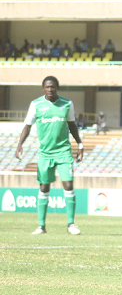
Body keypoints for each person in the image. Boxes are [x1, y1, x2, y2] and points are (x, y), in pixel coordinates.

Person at [14, 76, 84, 235]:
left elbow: (72, 125)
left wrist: (80, 144)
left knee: (68, 185)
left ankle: (71, 224)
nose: (50, 90)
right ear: (43, 88)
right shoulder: (36, 104)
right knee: (44, 187)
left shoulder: (67, 104)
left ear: (57, 87)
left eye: (53, 87)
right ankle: (41, 226)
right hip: (45, 153)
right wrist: (19, 145)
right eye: (47, 87)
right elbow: (27, 126)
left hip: (64, 151)